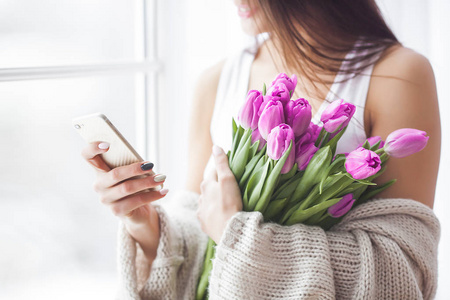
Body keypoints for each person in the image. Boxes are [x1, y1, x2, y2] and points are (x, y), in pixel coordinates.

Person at [81, 0, 441, 299]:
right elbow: (199, 234)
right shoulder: (217, 80)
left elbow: (401, 272)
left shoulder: (397, 74)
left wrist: (237, 236)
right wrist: (145, 225)